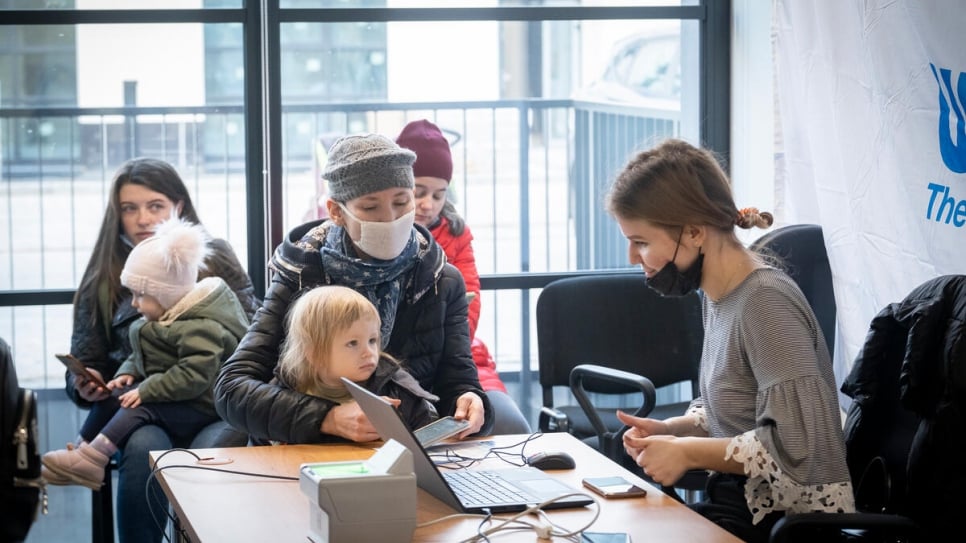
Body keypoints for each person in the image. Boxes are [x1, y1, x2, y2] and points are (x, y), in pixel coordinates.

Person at [605, 139, 854, 543]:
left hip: (779, 528)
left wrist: (686, 453)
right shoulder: (720, 295)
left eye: (642, 242)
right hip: (739, 509)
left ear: (694, 232)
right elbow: (739, 412)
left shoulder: (765, 302)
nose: (633, 257)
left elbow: (796, 445)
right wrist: (672, 430)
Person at [216, 133, 493, 445]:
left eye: (402, 202)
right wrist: (328, 418)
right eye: (370, 207)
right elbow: (232, 388)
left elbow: (457, 381)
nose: (389, 218)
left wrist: (471, 402)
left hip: (401, 452)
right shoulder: (300, 275)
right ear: (336, 212)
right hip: (309, 451)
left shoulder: (440, 280)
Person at [64, 157, 258, 543]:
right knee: (143, 447)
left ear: (178, 207)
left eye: (155, 206)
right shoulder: (105, 276)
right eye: (129, 208)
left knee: (207, 457)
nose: (142, 219)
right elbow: (86, 358)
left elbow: (253, 336)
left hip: (212, 403)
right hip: (143, 408)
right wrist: (86, 383)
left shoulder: (213, 257)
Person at [43, 219, 250, 489]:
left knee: (137, 407)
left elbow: (193, 376)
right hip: (182, 396)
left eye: (140, 295)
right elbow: (145, 352)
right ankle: (81, 448)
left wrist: (146, 390)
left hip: (203, 404)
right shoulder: (169, 315)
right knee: (113, 395)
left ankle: (94, 459)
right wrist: (127, 373)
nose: (134, 303)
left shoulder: (202, 328)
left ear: (166, 294)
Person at [395, 119, 531, 434]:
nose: (428, 204)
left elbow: (469, 313)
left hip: (459, 360)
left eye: (439, 195)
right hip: (399, 367)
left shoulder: (456, 235)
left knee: (509, 425)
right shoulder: (384, 237)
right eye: (419, 192)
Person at [264, 284, 438, 444]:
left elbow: (429, 439)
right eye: (353, 343)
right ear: (314, 354)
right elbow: (261, 446)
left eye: (372, 340)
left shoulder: (397, 389)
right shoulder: (287, 388)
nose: (369, 352)